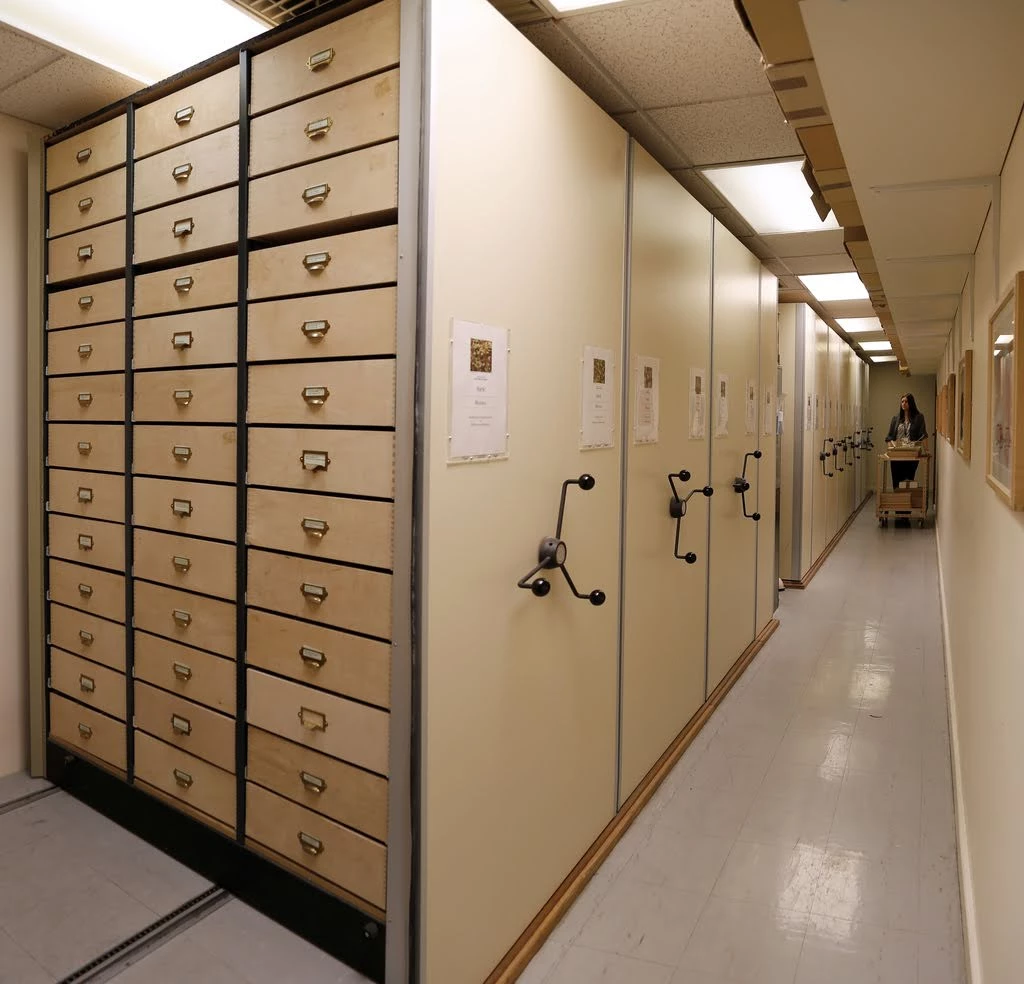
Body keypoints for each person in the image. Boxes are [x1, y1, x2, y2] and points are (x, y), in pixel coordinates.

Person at [885, 392, 928, 489]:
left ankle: (906, 501)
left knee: (908, 480)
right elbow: (889, 437)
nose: (904, 403)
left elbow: (923, 435)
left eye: (906, 401)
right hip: (897, 455)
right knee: (896, 481)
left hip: (911, 454)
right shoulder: (896, 419)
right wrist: (891, 449)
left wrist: (927, 451)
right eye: (902, 401)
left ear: (911, 403)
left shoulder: (919, 418)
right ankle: (898, 502)